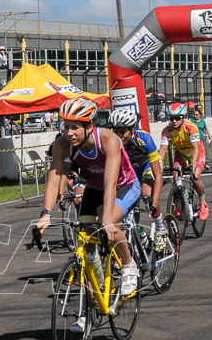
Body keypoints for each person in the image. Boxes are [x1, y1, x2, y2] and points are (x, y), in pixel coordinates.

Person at [36, 98, 140, 297]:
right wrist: (46, 213)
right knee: (86, 239)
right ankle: (95, 292)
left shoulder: (109, 140)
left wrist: (108, 220)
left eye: (75, 127)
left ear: (90, 125)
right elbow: (54, 179)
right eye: (65, 126)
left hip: (123, 185)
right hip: (94, 187)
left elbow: (110, 183)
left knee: (108, 223)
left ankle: (129, 264)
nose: (69, 133)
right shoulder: (62, 145)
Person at [108, 108, 166, 236]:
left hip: (147, 166)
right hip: (130, 170)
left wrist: (155, 201)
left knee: (146, 194)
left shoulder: (144, 138)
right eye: (115, 132)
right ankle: (137, 231)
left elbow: (158, 175)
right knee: (131, 201)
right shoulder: (111, 142)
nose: (119, 136)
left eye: (123, 132)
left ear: (132, 129)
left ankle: (160, 227)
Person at [159, 102, 209, 220]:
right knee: (176, 177)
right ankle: (178, 202)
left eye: (177, 118)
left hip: (196, 152)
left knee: (195, 177)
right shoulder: (167, 131)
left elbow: (196, 147)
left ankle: (203, 202)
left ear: (184, 117)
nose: (174, 121)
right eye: (171, 118)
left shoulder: (191, 127)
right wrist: (159, 166)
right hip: (181, 154)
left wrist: (194, 164)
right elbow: (163, 150)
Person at [190, 107, 211, 171]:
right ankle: (195, 163)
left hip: (202, 137)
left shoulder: (203, 121)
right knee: (195, 150)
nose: (195, 116)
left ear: (200, 115)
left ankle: (206, 163)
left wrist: (209, 135)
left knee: (204, 150)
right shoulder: (192, 121)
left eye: (197, 115)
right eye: (194, 115)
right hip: (195, 138)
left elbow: (205, 129)